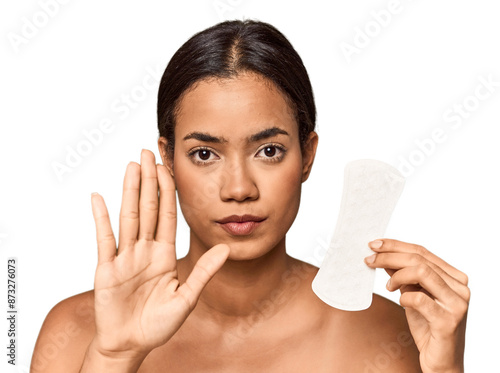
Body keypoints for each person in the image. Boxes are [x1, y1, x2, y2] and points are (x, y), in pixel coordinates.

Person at [31, 19, 470, 372]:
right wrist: (114, 358)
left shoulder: (387, 335)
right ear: (168, 159)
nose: (239, 189)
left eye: (269, 151)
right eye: (204, 153)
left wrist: (446, 370)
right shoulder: (76, 333)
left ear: (308, 155)